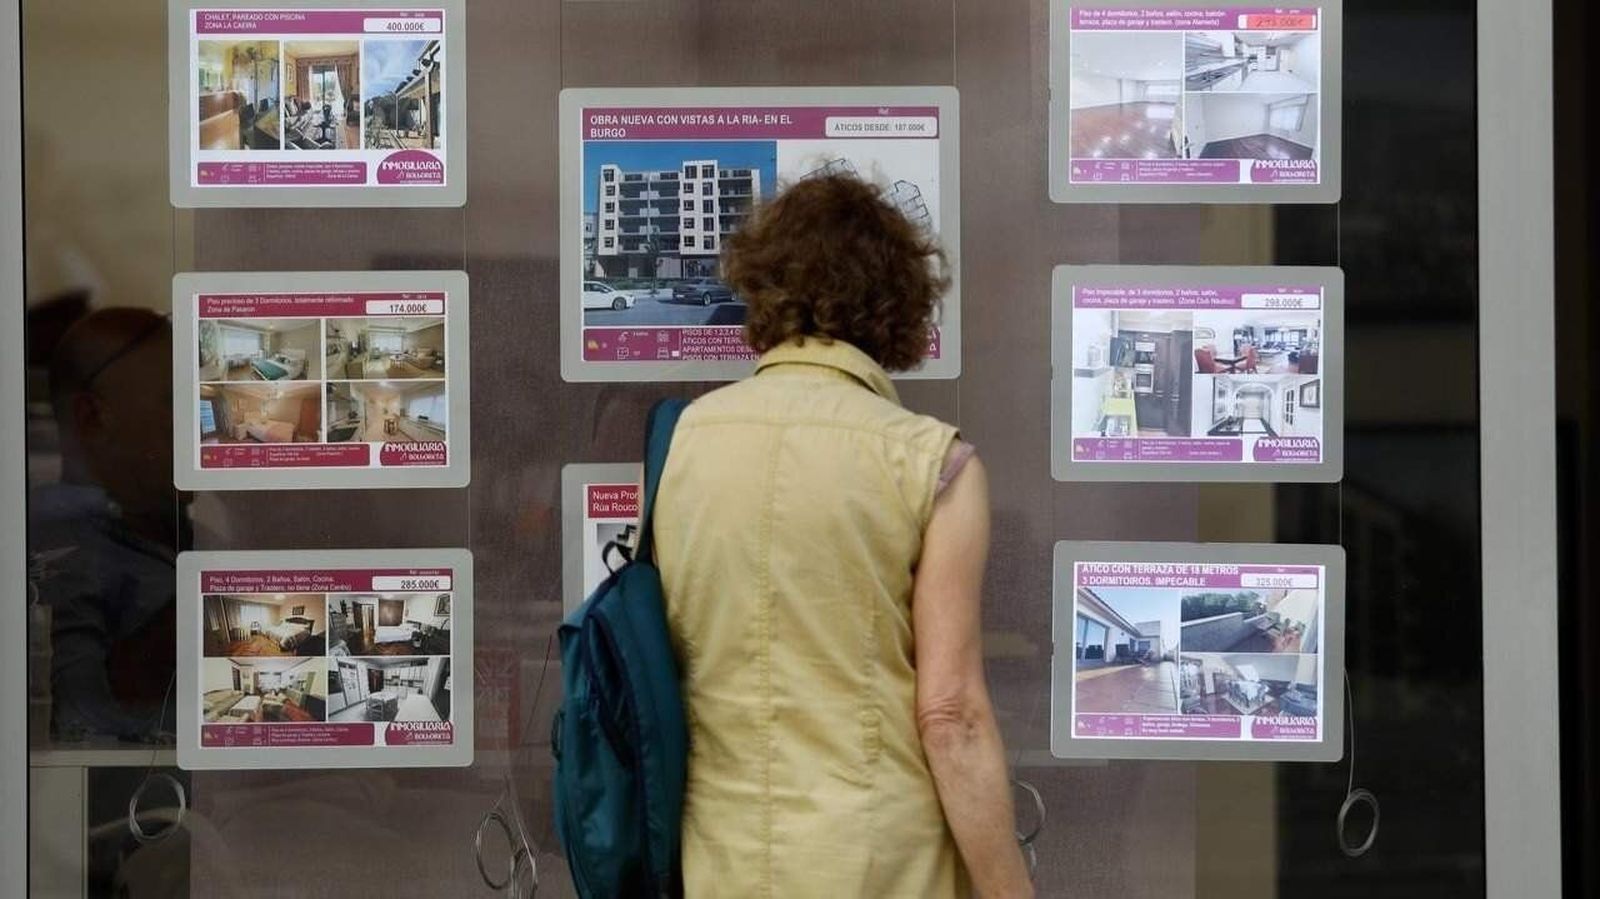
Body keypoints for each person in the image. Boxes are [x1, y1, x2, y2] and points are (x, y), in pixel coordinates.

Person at [653, 174, 1034, 898]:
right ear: (897, 303)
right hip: (882, 860)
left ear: (765, 287)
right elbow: (950, 715)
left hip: (719, 857)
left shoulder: (686, 442)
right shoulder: (933, 463)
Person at [31, 307, 186, 740]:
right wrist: (211, 600)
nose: (202, 423)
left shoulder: (166, 524)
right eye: (174, 401)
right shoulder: (56, 544)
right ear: (92, 417)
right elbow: (79, 723)